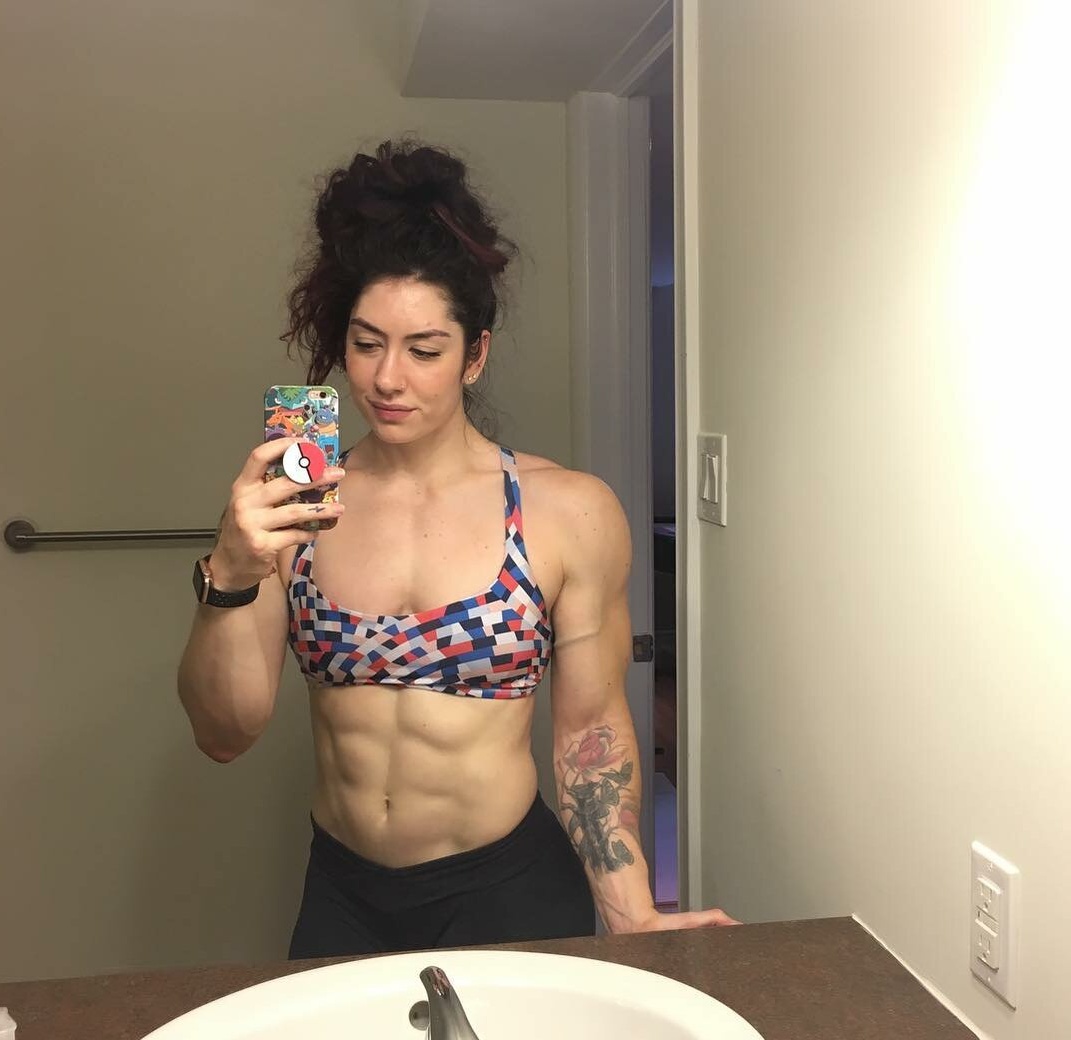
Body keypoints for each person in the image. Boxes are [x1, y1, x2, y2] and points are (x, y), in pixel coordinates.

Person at [177, 139, 738, 957]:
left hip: (507, 890)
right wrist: (229, 573)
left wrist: (631, 912)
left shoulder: (565, 511)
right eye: (366, 343)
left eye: (424, 350)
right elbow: (224, 735)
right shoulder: (294, 510)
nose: (387, 379)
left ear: (474, 354)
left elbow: (589, 727)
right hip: (342, 894)